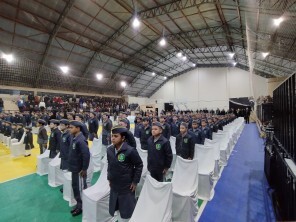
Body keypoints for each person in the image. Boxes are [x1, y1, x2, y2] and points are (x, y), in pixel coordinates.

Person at [107, 126, 143, 221]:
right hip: (114, 184)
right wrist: (109, 178)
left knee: (127, 210)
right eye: (112, 136)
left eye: (116, 136)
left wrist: (135, 182)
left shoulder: (130, 150)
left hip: (126, 185)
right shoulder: (109, 150)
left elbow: (139, 165)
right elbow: (110, 165)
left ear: (123, 138)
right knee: (117, 206)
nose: (113, 138)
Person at [68, 120, 90, 217]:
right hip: (74, 169)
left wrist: (84, 169)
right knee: (76, 187)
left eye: (72, 127)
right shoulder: (75, 138)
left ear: (78, 128)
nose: (70, 129)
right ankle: (78, 204)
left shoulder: (81, 140)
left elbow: (86, 155)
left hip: (79, 170)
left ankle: (81, 206)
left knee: (80, 189)